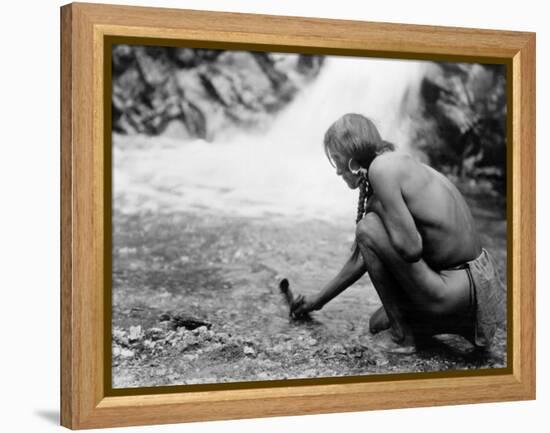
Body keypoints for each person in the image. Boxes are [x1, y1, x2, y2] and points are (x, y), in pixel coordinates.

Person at [291, 113, 502, 353]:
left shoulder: (381, 169)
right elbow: (360, 259)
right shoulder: (396, 163)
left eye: (336, 159)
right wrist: (316, 302)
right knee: (378, 324)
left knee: (368, 226)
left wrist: (379, 211)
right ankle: (457, 324)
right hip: (478, 288)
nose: (338, 171)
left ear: (352, 158)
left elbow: (410, 248)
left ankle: (403, 338)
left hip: (456, 287)